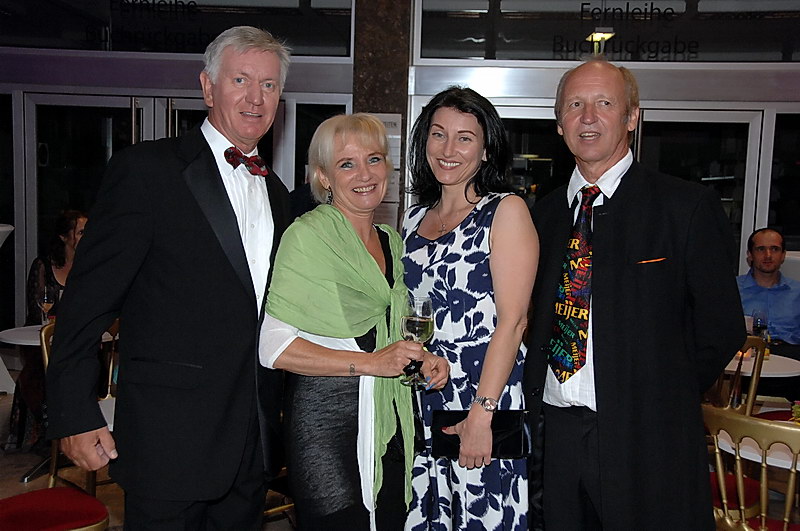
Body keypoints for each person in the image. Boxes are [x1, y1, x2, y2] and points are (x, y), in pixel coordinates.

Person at [45, 26, 292, 529]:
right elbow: (86, 303)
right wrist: (75, 414)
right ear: (207, 87)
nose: (255, 97)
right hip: (169, 443)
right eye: (241, 80)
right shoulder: (147, 172)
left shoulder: (279, 196)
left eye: (268, 85)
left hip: (250, 446)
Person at [523, 56, 745, 530]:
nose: (588, 117)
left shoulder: (685, 208)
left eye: (604, 103)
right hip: (556, 436)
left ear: (631, 117)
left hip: (648, 439)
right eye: (575, 105)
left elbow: (721, 327)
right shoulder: (542, 216)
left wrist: (658, 395)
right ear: (559, 124)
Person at [260, 113, 449, 530]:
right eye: (347, 164)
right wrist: (371, 363)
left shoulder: (391, 241)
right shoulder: (307, 236)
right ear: (323, 177)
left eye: (374, 159)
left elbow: (385, 333)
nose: (364, 174)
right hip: (327, 431)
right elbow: (273, 347)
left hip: (389, 424)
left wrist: (423, 359)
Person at [402, 86, 539, 530]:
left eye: (464, 138)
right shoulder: (411, 219)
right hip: (422, 397)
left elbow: (514, 322)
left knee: (482, 516)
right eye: (438, 134)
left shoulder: (505, 211)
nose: (448, 149)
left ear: (486, 150)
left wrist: (482, 414)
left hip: (482, 395)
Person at [5, 210, 87, 452]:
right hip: (43, 336)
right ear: (64, 237)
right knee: (39, 370)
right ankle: (45, 429)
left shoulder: (88, 265)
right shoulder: (44, 266)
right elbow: (36, 309)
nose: (87, 236)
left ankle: (71, 428)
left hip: (75, 338)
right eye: (81, 232)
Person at [737, 228, 800, 353]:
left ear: (783, 255)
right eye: (761, 249)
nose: (768, 255)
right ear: (750, 254)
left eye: (774, 249)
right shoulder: (733, 290)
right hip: (746, 354)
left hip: (791, 355)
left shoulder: (797, 292)